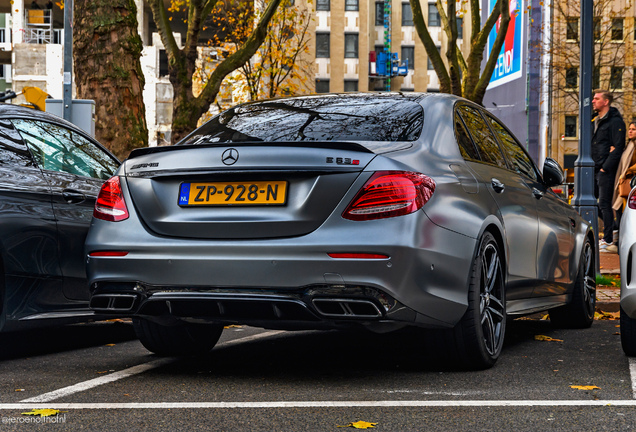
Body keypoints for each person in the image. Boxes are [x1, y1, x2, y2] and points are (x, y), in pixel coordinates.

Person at [591, 89, 625, 251]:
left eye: (596, 99)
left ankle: (608, 239)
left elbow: (618, 147)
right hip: (594, 167)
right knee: (590, 199)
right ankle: (614, 227)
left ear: (606, 102)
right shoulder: (595, 120)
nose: (593, 101)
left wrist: (605, 167)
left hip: (605, 169)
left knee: (604, 203)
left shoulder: (615, 122)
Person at [612, 122, 636, 248]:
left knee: (623, 213)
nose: (630, 131)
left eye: (634, 129)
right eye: (630, 129)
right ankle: (618, 242)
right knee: (619, 211)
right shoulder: (629, 146)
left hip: (631, 185)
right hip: (624, 184)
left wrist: (628, 171)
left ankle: (619, 243)